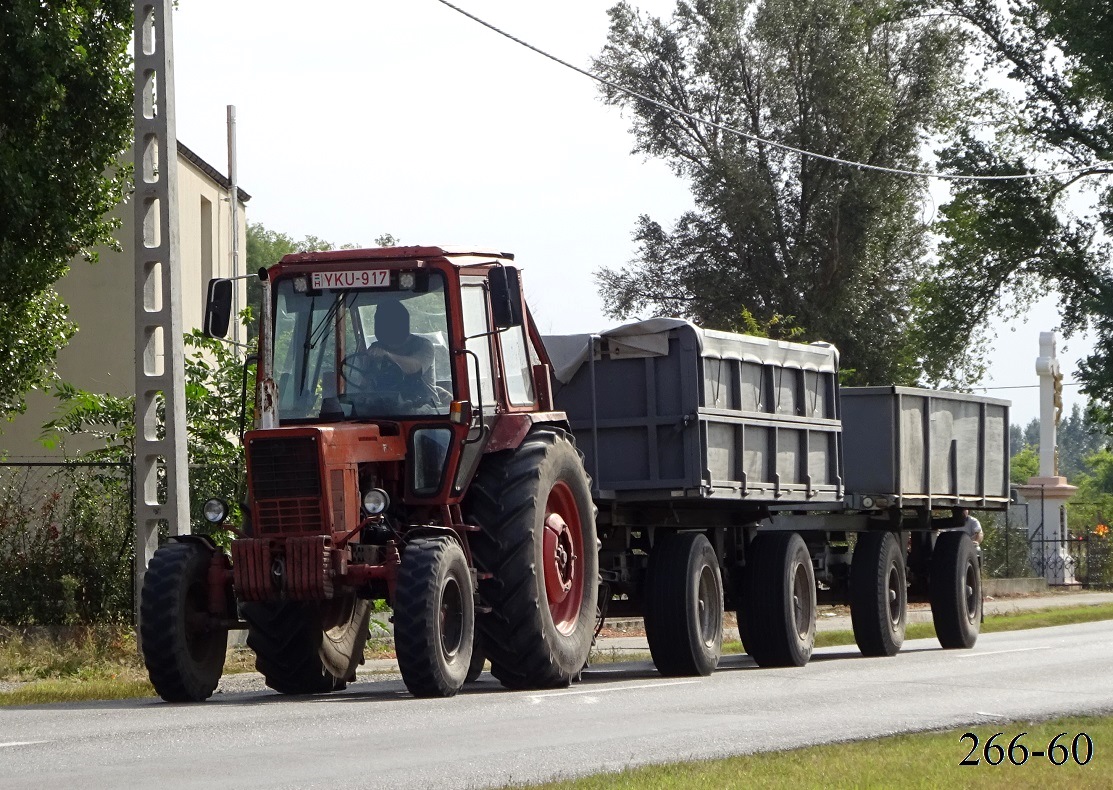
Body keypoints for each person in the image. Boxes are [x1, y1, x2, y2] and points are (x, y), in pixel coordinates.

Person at [358, 299, 435, 399]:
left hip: (423, 408)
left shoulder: (423, 345)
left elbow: (415, 367)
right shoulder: (375, 348)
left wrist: (387, 356)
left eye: (388, 322)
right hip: (384, 408)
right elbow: (365, 383)